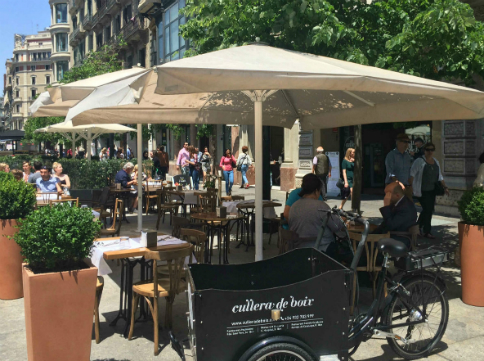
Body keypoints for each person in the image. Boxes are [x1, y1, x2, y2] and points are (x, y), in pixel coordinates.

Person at [289, 174, 344, 254]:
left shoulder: (294, 206)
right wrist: (342, 219)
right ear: (316, 190)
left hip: (299, 250)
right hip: (322, 249)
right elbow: (336, 226)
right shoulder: (320, 206)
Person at [409, 142, 449, 238]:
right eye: (428, 150)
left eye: (432, 150)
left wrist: (445, 187)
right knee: (427, 209)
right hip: (421, 191)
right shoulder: (419, 161)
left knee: (428, 210)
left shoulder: (436, 161)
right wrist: (409, 188)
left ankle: (418, 228)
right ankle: (426, 230)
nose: (430, 152)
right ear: (424, 150)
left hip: (432, 190)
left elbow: (439, 176)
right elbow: (411, 175)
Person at [373, 184, 418, 248]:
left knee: (366, 246)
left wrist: (386, 206)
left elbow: (390, 225)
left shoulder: (405, 207)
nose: (386, 197)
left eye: (388, 195)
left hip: (400, 238)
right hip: (393, 235)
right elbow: (386, 223)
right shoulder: (398, 203)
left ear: (397, 195)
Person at [385, 133, 413, 200]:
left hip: (406, 186)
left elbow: (409, 171)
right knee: (395, 208)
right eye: (405, 142)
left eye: (408, 142)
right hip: (394, 186)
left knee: (409, 208)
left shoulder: (407, 156)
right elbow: (390, 172)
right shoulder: (391, 155)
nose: (407, 144)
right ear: (398, 142)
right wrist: (398, 183)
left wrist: (411, 185)